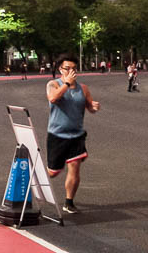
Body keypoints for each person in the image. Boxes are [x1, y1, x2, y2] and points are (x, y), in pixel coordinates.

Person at [45, 59, 99, 215]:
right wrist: (66, 84)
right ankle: (35, 175)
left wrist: (94, 107)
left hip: (76, 135)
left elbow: (90, 107)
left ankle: (69, 202)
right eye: (67, 68)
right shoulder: (53, 84)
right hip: (57, 135)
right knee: (52, 173)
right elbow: (53, 98)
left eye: (74, 68)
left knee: (74, 167)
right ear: (60, 69)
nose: (71, 71)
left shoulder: (83, 88)